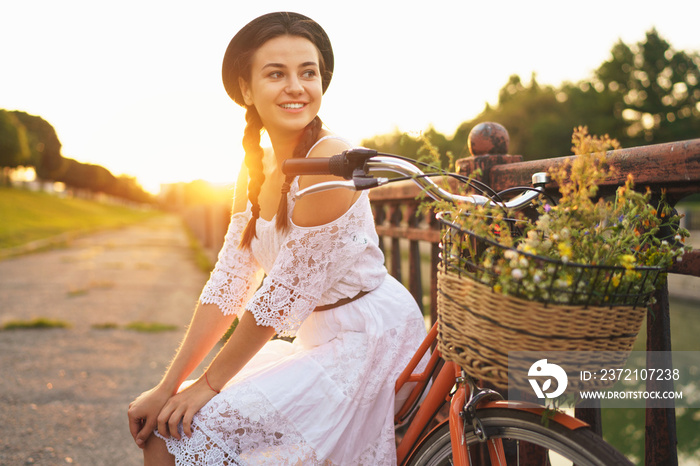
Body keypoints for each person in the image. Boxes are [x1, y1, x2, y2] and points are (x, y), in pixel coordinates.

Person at [127, 11, 427, 465]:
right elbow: (231, 278)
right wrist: (168, 385)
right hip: (320, 338)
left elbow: (283, 295)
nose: (296, 87)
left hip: (367, 341)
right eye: (276, 73)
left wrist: (209, 385)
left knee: (178, 433)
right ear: (246, 89)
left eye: (308, 72)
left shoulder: (331, 160)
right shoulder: (253, 166)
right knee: (169, 421)